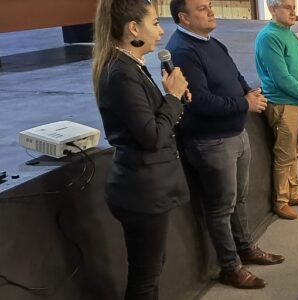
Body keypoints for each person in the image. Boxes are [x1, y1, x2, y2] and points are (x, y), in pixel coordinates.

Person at [167, 0, 284, 289]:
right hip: (211, 141)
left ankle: (245, 248)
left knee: (238, 200)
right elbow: (199, 102)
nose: (210, 11)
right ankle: (230, 267)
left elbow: (235, 75)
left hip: (234, 134)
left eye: (209, 5)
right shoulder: (183, 50)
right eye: (202, 8)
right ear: (184, 17)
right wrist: (244, 103)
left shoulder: (211, 42)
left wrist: (247, 91)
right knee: (220, 208)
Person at [92, 0, 189, 298]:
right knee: (145, 277)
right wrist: (171, 97)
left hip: (147, 187)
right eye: (155, 23)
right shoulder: (121, 74)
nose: (161, 31)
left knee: (151, 267)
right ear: (134, 28)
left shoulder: (131, 65)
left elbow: (148, 122)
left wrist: (173, 100)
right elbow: (153, 137)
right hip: (141, 191)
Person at [255, 0, 298, 220]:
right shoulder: (269, 37)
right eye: (286, 7)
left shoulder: (289, 34)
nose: (293, 11)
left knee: (296, 151)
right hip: (284, 104)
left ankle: (293, 193)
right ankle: (281, 201)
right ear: (272, 9)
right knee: (285, 154)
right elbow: (281, 78)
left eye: (293, 6)